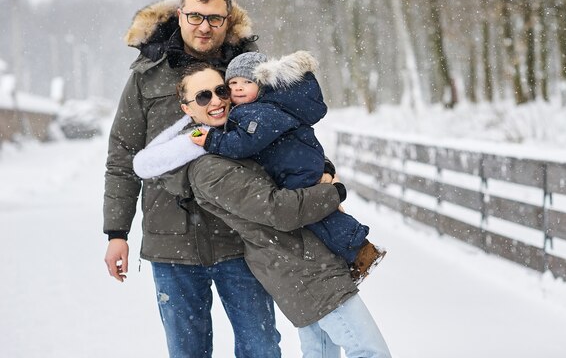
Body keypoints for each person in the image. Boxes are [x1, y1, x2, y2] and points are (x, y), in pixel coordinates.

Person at [133, 64, 392, 357]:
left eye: (221, 91)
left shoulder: (238, 141)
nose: (217, 101)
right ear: (187, 109)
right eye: (204, 97)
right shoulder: (209, 168)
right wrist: (333, 192)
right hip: (299, 266)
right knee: (370, 351)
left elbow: (294, 160)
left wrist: (324, 168)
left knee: (322, 353)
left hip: (309, 259)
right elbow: (278, 210)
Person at [103, 0, 282, 358]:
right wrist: (116, 232)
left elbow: (288, 131)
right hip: (171, 242)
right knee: (187, 352)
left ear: (228, 19)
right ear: (180, 15)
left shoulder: (252, 73)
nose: (204, 27)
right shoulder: (146, 75)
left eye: (215, 19)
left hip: (242, 237)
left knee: (262, 348)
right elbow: (122, 154)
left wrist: (321, 174)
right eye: (196, 16)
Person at [138, 50, 386, 282]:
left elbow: (246, 145)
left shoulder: (260, 113)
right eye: (231, 85)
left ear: (261, 85)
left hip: (295, 170)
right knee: (314, 213)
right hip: (296, 165)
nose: (233, 92)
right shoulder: (258, 110)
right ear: (187, 108)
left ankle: (359, 249)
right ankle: (354, 252)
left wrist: (212, 140)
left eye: (224, 90)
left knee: (317, 215)